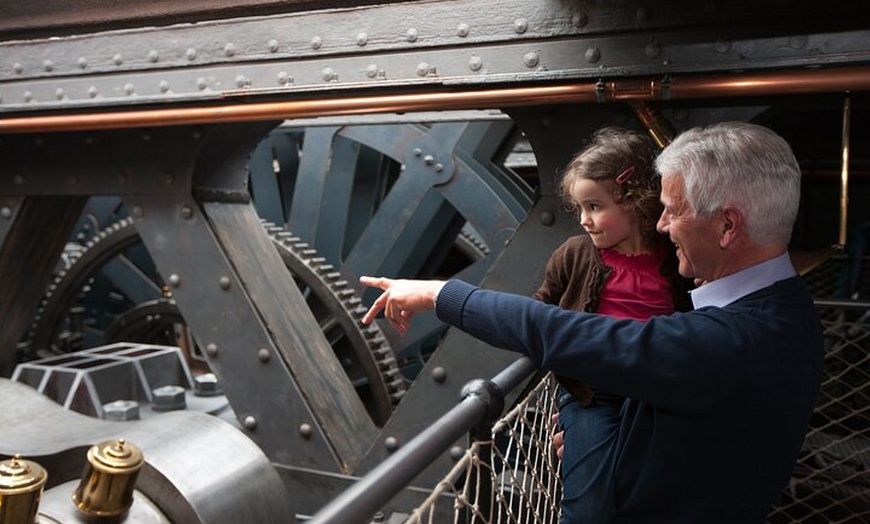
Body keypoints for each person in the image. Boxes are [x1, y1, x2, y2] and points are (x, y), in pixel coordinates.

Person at [360, 121, 824, 523]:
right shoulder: (786, 309)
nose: (661, 225)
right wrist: (616, 446)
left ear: (727, 226)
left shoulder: (735, 340)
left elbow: (577, 334)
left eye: (673, 210)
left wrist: (440, 294)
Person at [533, 127, 692, 524]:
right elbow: (539, 310)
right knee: (588, 508)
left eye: (594, 207)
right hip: (593, 394)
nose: (584, 220)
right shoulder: (574, 255)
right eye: (580, 208)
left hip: (656, 392)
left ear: (636, 202)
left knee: (652, 494)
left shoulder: (676, 260)